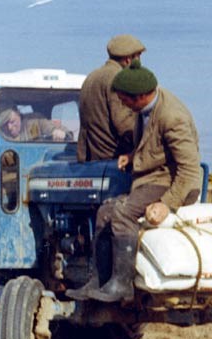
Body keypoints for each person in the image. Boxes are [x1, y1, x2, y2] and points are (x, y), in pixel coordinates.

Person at [67, 60, 201, 302]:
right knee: (105, 211)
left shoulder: (172, 117)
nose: (121, 104)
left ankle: (122, 284)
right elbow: (154, 143)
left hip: (171, 183)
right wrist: (132, 156)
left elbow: (190, 169)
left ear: (139, 96)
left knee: (123, 213)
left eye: (123, 99)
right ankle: (99, 280)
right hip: (153, 177)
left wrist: (167, 204)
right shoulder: (145, 109)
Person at [77, 34, 146, 162]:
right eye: (138, 57)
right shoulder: (118, 78)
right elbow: (124, 124)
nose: (140, 62)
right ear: (128, 60)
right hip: (113, 159)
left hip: (90, 159)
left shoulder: (92, 77)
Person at [0, 106, 72, 142]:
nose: (9, 127)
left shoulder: (35, 121)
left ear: (18, 113)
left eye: (12, 122)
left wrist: (58, 132)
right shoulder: (0, 135)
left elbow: (51, 127)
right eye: (5, 125)